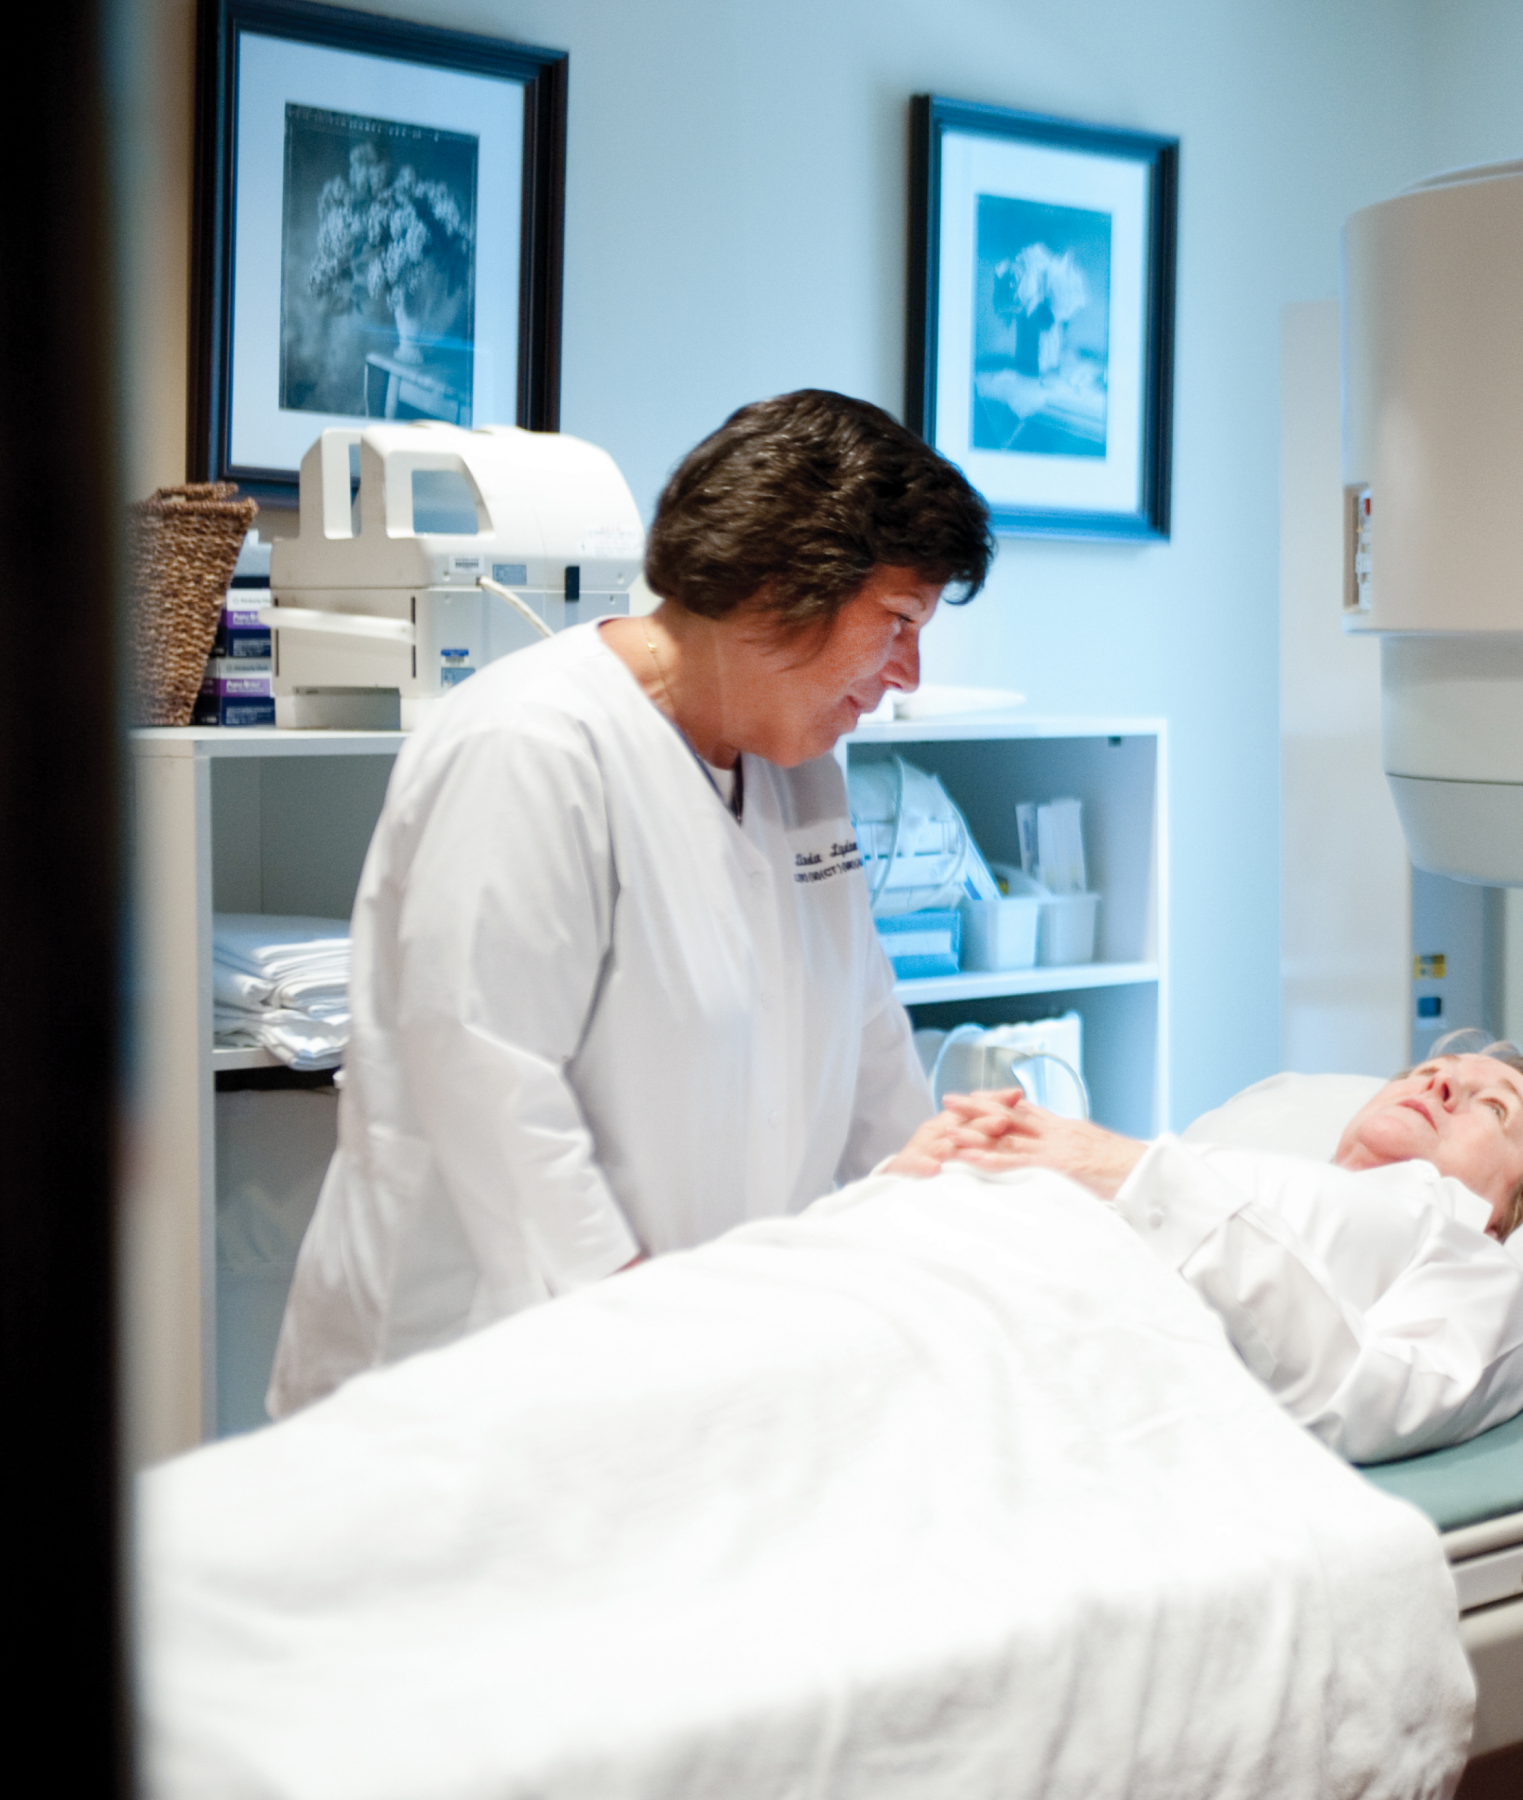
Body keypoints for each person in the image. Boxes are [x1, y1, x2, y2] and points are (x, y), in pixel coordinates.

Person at [269, 391, 995, 1416]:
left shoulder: (797, 765)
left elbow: (861, 1023)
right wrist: (635, 1327)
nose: (907, 674)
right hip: (485, 1370)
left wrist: (934, 1198)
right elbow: (489, 1087)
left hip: (699, 1356)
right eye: (898, 624)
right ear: (782, 586)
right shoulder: (531, 747)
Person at [893, 1036, 1523, 1462]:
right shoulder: (1225, 1165)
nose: (1441, 1081)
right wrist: (916, 1176)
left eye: (1494, 1106)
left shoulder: (1470, 1260)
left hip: (977, 1373)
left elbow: (1354, 1401)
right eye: (1426, 1072)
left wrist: (1126, 1173)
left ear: (1510, 1208)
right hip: (898, 1273)